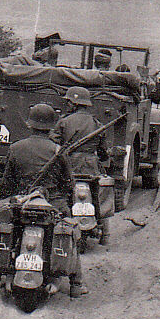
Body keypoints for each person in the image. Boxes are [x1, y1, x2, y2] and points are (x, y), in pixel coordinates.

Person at [0, 103, 87, 297]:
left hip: (23, 201)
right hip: (53, 202)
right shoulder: (58, 150)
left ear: (30, 125)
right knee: (71, 230)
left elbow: (8, 182)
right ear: (51, 126)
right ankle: (76, 284)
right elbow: (69, 182)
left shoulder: (16, 147)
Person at [51, 86, 110, 246]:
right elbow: (103, 150)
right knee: (98, 197)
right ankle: (104, 231)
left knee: (62, 195)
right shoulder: (96, 123)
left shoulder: (64, 121)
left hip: (69, 167)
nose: (67, 105)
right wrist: (103, 158)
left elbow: (53, 143)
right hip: (91, 168)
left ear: (74, 104)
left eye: (69, 102)